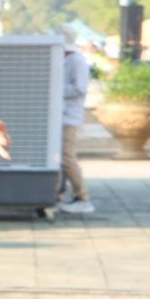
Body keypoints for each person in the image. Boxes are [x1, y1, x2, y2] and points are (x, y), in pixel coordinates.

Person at [56, 40, 93, 214]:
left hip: (69, 117)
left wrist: (55, 89)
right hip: (61, 116)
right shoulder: (66, 59)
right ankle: (58, 194)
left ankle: (82, 196)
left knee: (67, 158)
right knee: (61, 158)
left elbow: (80, 88)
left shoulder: (77, 61)